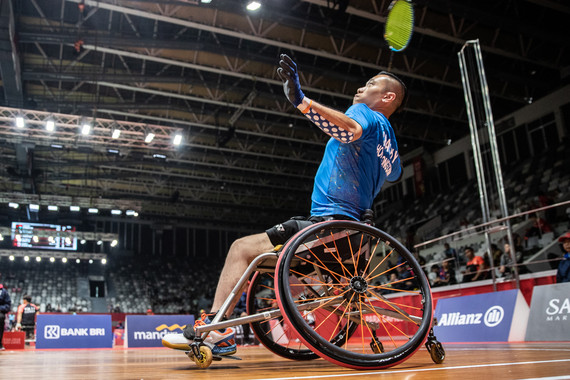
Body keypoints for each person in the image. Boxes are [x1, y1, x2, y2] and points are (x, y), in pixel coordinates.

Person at [162, 53, 406, 355]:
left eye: (370, 85)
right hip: (354, 243)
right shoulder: (390, 145)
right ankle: (219, 326)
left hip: (327, 227)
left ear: (388, 96)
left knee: (241, 248)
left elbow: (348, 130)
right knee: (260, 256)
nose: (360, 89)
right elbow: (396, 173)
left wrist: (301, 101)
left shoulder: (365, 114)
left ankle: (216, 329)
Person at [0, 284, 11, 351]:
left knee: (0, 317)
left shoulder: (4, 292)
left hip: (0, 312)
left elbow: (8, 304)